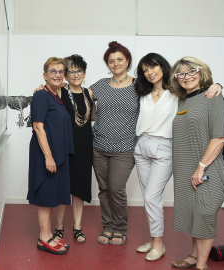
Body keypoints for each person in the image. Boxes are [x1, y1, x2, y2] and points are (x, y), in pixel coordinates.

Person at [133, 53, 222, 261]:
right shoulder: (141, 92)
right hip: (142, 146)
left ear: (163, 68)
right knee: (149, 199)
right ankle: (154, 239)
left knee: (151, 197)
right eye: (145, 70)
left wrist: (217, 85)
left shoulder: (177, 92)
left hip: (165, 147)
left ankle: (158, 244)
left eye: (153, 67)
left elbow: (198, 90)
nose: (149, 72)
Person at [170, 56, 224, 270]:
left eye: (191, 71)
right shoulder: (183, 100)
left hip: (208, 167)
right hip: (186, 168)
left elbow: (220, 137)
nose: (187, 77)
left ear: (201, 72)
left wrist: (201, 167)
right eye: (181, 74)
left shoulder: (213, 96)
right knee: (193, 213)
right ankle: (193, 256)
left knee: (204, 214)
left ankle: (201, 265)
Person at [92, 41, 138, 246]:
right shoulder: (100, 85)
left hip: (125, 148)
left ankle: (120, 228)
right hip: (99, 146)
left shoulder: (139, 86)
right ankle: (108, 226)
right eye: (111, 61)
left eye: (120, 59)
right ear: (107, 65)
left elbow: (165, 93)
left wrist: (215, 85)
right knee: (103, 189)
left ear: (127, 60)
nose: (116, 63)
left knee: (116, 188)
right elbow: (77, 97)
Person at [27, 57, 74, 255]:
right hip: (46, 153)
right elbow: (38, 127)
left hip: (57, 153)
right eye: (53, 71)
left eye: (61, 71)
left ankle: (47, 233)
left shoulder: (57, 95)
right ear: (45, 75)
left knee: (53, 195)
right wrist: (48, 156)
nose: (57, 75)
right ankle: (44, 238)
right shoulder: (41, 96)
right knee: (46, 195)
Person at [50, 54, 95, 244]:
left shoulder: (89, 93)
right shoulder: (59, 91)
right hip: (64, 146)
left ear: (84, 73)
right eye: (71, 71)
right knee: (63, 188)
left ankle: (77, 227)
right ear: (65, 75)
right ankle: (59, 227)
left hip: (84, 146)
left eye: (79, 71)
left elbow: (91, 118)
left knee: (80, 189)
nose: (76, 74)